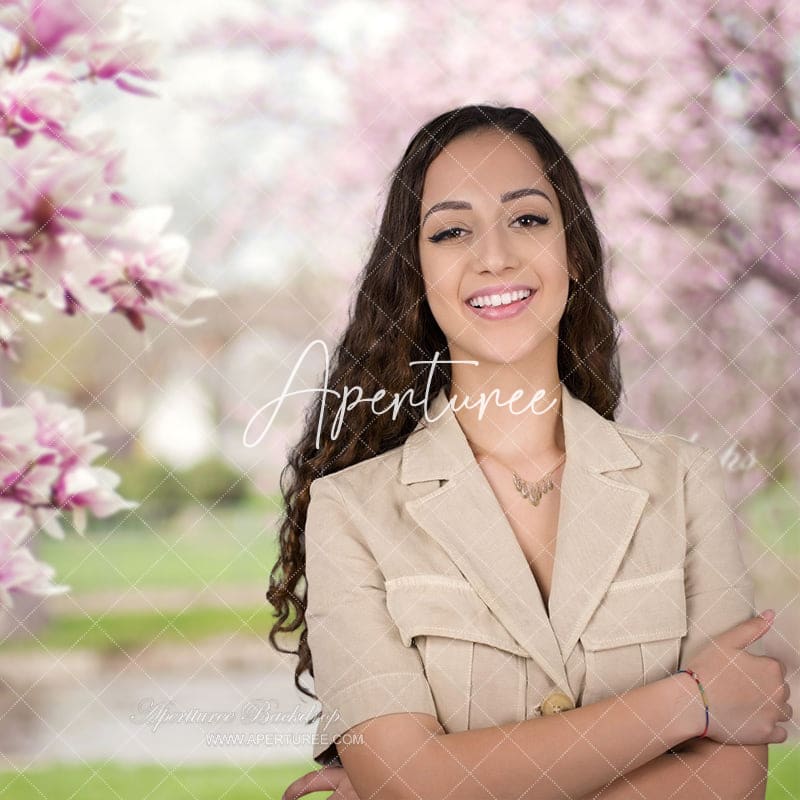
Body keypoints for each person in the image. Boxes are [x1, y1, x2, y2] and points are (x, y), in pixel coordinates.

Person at [268, 104, 791, 800]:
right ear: (415, 271)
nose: (495, 256)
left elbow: (731, 784)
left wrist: (445, 783)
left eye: (527, 218)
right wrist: (690, 702)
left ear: (572, 248)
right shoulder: (349, 513)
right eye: (452, 231)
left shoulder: (685, 484)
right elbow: (409, 785)